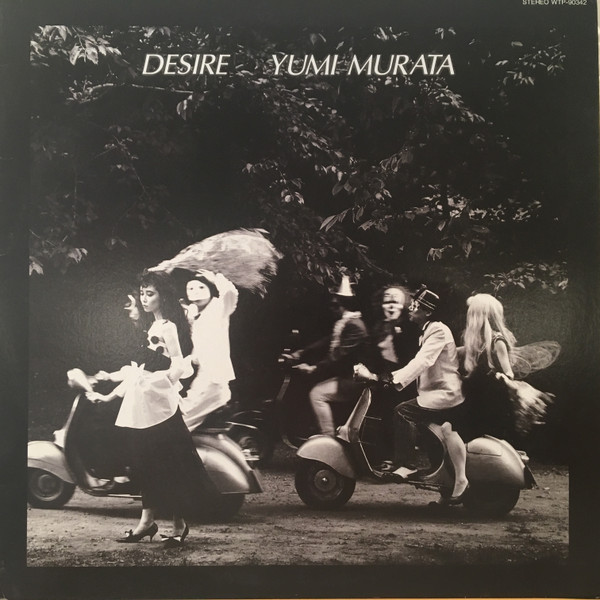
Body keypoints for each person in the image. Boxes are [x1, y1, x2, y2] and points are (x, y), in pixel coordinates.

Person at [87, 270, 215, 546]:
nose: (144, 299)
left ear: (162, 297)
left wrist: (160, 381)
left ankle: (178, 525)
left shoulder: (168, 327)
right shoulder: (150, 327)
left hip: (160, 404)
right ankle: (147, 523)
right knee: (145, 461)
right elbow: (139, 369)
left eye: (150, 294)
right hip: (143, 402)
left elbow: (178, 364)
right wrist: (111, 392)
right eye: (142, 293)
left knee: (170, 461)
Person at [354, 286, 469, 503]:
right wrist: (385, 377)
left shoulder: (438, 330)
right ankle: (445, 483)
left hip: (446, 393)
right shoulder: (427, 331)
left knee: (403, 412)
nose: (411, 308)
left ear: (428, 311)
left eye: (416, 306)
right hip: (435, 392)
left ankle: (407, 464)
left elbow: (422, 362)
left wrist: (391, 379)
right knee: (426, 428)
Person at [291, 275, 369, 436]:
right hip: (346, 376)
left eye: (335, 306)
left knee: (317, 394)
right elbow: (326, 341)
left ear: (343, 306)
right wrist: (301, 352)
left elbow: (338, 355)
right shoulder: (345, 323)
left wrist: (314, 368)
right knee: (312, 384)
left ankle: (328, 437)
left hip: (354, 380)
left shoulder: (355, 326)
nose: (332, 309)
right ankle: (315, 429)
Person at [366, 285, 419, 468]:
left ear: (404, 306)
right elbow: (373, 357)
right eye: (386, 301)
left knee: (394, 413)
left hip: (405, 383)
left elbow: (411, 360)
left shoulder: (409, 328)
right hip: (383, 381)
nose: (390, 306)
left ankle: (398, 459)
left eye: (395, 302)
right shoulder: (378, 328)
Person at [179, 270, 239, 431]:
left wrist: (216, 278)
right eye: (190, 288)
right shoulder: (193, 312)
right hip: (203, 372)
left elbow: (230, 293)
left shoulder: (219, 307)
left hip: (215, 377)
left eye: (201, 287)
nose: (196, 292)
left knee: (184, 418)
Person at [461, 293, 517, 441]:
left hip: (493, 401)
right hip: (477, 398)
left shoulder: (497, 341)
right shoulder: (475, 341)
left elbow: (509, 373)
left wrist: (504, 376)